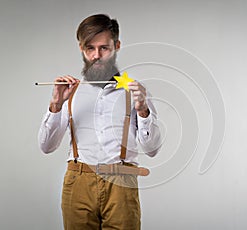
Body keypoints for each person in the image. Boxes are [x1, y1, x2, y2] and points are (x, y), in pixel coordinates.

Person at [38, 14, 161, 230]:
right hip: (78, 182)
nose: (97, 55)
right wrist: (56, 105)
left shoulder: (134, 90)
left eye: (104, 48)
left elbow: (152, 150)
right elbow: (46, 147)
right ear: (81, 49)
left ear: (117, 46)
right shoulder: (71, 92)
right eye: (90, 49)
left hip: (121, 182)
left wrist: (142, 109)